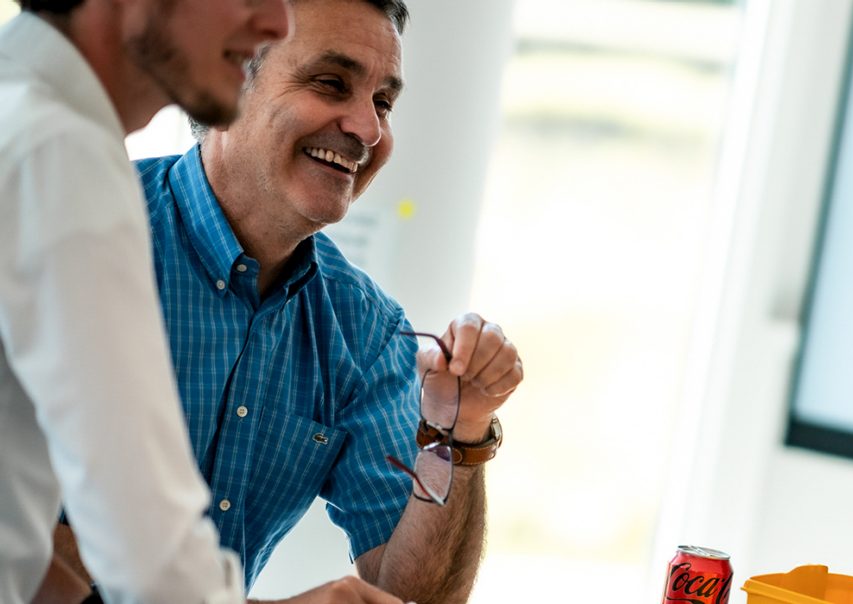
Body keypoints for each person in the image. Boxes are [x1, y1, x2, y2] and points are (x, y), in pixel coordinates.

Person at [43, 0, 524, 601]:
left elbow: (416, 595)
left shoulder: (365, 331)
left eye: (383, 102)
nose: (368, 129)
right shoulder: (60, 229)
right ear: (229, 79)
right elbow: (24, 546)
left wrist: (455, 434)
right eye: (331, 83)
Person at [0, 0, 398, 601]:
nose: (270, 23)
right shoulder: (59, 154)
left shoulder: (30, 119)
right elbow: (150, 557)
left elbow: (14, 540)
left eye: (383, 102)